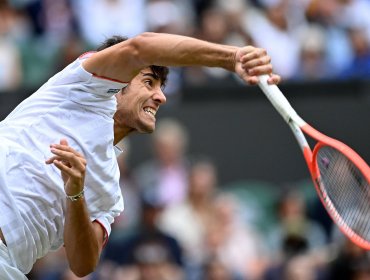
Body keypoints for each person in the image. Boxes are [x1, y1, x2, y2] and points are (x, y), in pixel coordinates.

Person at [0, 31, 280, 278]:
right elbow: (141, 47)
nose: (161, 97)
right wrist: (231, 57)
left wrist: (76, 194)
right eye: (149, 82)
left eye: (162, 87)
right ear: (118, 80)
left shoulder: (110, 189)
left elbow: (82, 264)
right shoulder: (82, 87)